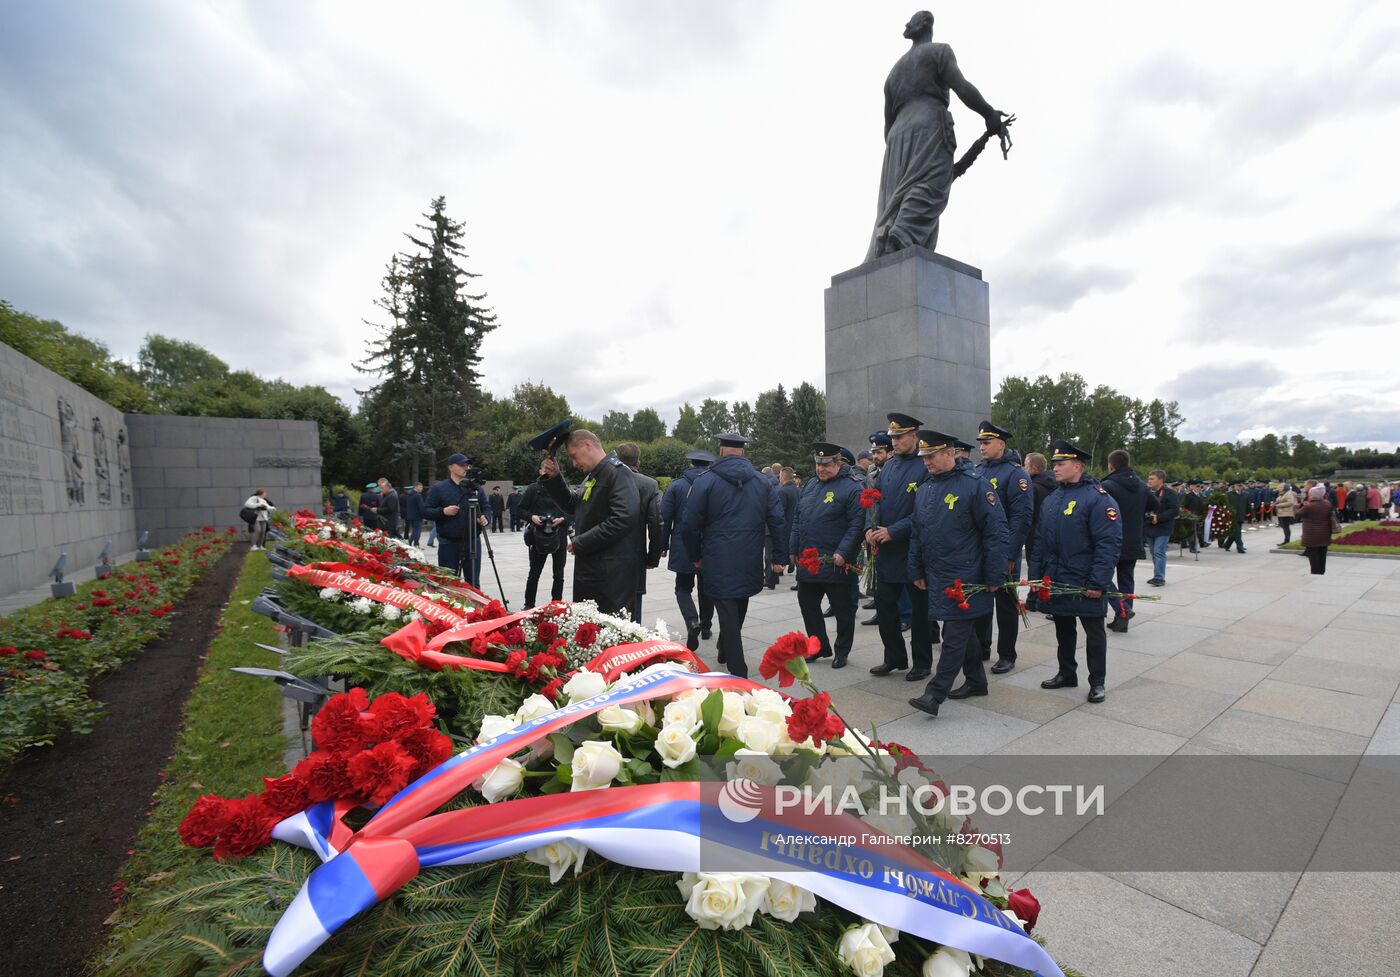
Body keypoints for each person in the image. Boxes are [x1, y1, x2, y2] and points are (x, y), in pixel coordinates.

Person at [866, 10, 1010, 259]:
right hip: (929, 122)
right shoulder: (939, 52)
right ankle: (902, 233)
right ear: (927, 26)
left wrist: (899, 145)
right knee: (931, 184)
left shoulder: (893, 74)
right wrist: (988, 113)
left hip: (896, 137)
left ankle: (897, 236)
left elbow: (887, 127)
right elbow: (962, 88)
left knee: (899, 198)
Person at [906, 430, 1009, 718]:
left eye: (931, 456)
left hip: (966, 576)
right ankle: (976, 681)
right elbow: (918, 532)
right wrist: (916, 568)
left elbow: (996, 533)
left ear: (949, 453)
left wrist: (993, 576)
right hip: (937, 572)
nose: (926, 462)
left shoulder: (976, 486)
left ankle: (934, 694)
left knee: (954, 632)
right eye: (924, 457)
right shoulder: (926, 488)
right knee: (964, 632)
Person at [680, 432, 786, 678]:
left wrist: (695, 555)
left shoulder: (705, 481)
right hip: (749, 556)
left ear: (720, 450)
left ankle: (739, 671)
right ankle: (725, 650)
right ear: (743, 452)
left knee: (728, 611)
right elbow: (777, 520)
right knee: (738, 606)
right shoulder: (762, 482)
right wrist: (778, 557)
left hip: (717, 558)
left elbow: (689, 524)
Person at [1032, 439, 1122, 703]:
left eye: (1062, 464)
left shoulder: (1098, 498)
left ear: (1078, 466)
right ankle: (1066, 673)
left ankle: (1097, 682)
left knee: (1094, 633)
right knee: (1063, 629)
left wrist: (1098, 582)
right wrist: (1038, 578)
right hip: (1058, 578)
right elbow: (1039, 542)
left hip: (1085, 581)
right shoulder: (1052, 498)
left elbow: (1108, 544)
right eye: (1055, 463)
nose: (1056, 468)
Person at [867, 413, 938, 681]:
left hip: (913, 550)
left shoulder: (924, 466)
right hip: (887, 551)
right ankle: (894, 656)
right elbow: (873, 499)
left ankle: (921, 662)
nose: (893, 442)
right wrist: (869, 526)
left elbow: (925, 511)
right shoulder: (890, 466)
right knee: (885, 607)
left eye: (898, 437)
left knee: (920, 612)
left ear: (914, 436)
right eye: (892, 437)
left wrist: (893, 531)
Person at [541, 430, 641, 616]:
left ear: (587, 445)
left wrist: (582, 542)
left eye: (574, 456)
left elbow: (623, 518)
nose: (574, 463)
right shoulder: (595, 475)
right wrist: (555, 478)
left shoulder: (618, 473)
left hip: (610, 577)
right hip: (593, 571)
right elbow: (574, 505)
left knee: (608, 632)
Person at [789, 443, 864, 668]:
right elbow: (797, 519)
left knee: (843, 609)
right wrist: (793, 548)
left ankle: (842, 650)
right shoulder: (811, 484)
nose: (821, 469)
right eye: (818, 464)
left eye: (827, 465)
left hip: (835, 562)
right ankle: (819, 645)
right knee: (808, 605)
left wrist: (843, 552)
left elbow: (856, 524)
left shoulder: (853, 488)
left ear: (838, 463)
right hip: (809, 560)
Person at [971, 421, 1031, 673]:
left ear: (1001, 444)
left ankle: (1007, 653)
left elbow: (1021, 517)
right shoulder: (978, 471)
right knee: (980, 601)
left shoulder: (1016, 474)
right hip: (979, 551)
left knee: (1005, 605)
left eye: (987, 443)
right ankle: (982, 647)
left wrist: (1009, 553)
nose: (982, 447)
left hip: (1004, 551)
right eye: (981, 443)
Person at [661, 450, 716, 650]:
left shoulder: (676, 486)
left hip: (682, 543)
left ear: (691, 464)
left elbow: (665, 518)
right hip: (708, 544)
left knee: (683, 588)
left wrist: (663, 545)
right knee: (706, 588)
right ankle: (707, 626)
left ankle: (692, 621)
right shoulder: (713, 484)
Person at [1102, 450, 1156, 633]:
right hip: (1133, 538)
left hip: (1111, 539)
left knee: (1101, 577)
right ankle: (1123, 619)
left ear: (1111, 466)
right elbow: (1155, 505)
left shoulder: (1108, 485)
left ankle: (1122, 609)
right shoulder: (1142, 486)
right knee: (1126, 579)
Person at [423, 454, 491, 585]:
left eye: (467, 464)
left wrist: (485, 518)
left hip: (472, 542)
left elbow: (487, 508)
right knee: (449, 583)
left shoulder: (476, 488)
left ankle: (475, 605)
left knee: (473, 582)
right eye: (462, 465)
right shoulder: (438, 489)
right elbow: (426, 511)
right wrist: (443, 511)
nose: (466, 467)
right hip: (448, 543)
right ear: (451, 467)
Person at [615, 442, 664, 623]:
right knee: (633, 611)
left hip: (604, 557)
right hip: (634, 557)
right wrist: (652, 558)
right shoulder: (649, 484)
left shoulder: (603, 479)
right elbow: (656, 524)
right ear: (638, 463)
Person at [519, 463, 570, 607]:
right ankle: (529, 604)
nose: (548, 472)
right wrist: (532, 517)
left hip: (559, 535)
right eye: (545, 469)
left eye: (551, 470)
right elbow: (520, 509)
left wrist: (563, 519)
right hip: (538, 536)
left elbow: (574, 511)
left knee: (559, 574)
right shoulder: (533, 489)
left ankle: (556, 604)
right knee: (534, 573)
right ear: (540, 470)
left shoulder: (562, 489)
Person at [1144, 469, 1179, 587]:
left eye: (1152, 479)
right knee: (1154, 552)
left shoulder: (1170, 493)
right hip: (1150, 527)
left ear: (1161, 480)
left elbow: (1174, 510)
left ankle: (1159, 577)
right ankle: (1157, 575)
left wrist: (1159, 517)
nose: (1149, 481)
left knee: (1159, 552)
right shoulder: (1149, 492)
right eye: (1149, 479)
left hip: (1163, 527)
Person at [1297, 484, 1335, 574]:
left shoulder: (1309, 506)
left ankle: (1315, 573)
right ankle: (1322, 571)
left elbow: (1297, 514)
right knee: (1322, 555)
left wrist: (1298, 505)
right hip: (1324, 534)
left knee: (1313, 557)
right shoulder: (1327, 503)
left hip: (1312, 535)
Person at [1221, 479, 1249, 553]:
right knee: (1238, 532)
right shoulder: (1229, 495)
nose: (1240, 487)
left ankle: (1226, 545)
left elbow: (1248, 505)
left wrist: (1252, 516)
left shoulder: (1245, 494)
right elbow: (1225, 505)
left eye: (1241, 486)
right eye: (1238, 485)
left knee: (1234, 533)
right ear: (1234, 486)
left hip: (1241, 516)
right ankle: (1240, 547)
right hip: (1232, 517)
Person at [1180, 479, 1206, 553]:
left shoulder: (1201, 496)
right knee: (1192, 533)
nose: (1199, 488)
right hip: (1191, 517)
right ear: (1193, 487)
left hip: (1199, 517)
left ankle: (1201, 543)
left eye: (1200, 487)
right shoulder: (1188, 496)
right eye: (1197, 486)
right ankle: (1192, 548)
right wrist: (1188, 515)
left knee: (1198, 532)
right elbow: (1183, 507)